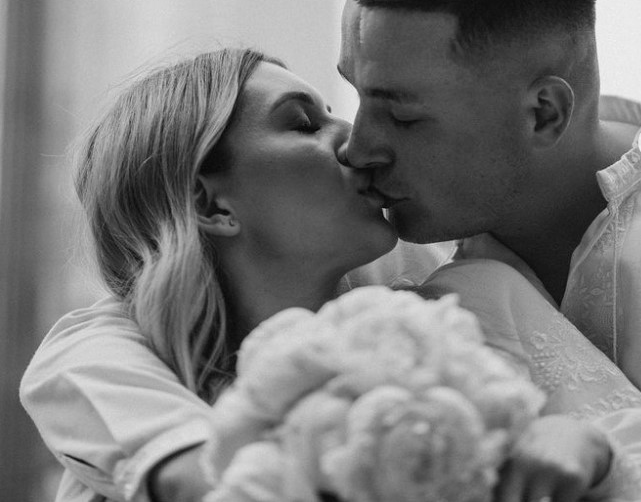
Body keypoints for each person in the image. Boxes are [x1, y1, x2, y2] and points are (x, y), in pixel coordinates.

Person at [20, 48, 641, 502]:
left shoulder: (464, 306)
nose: (354, 140)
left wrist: (587, 446)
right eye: (303, 123)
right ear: (211, 205)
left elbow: (617, 434)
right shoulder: (121, 390)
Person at [339, 0, 641, 388]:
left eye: (404, 117)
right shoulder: (372, 255)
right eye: (356, 93)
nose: (357, 148)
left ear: (543, 114)